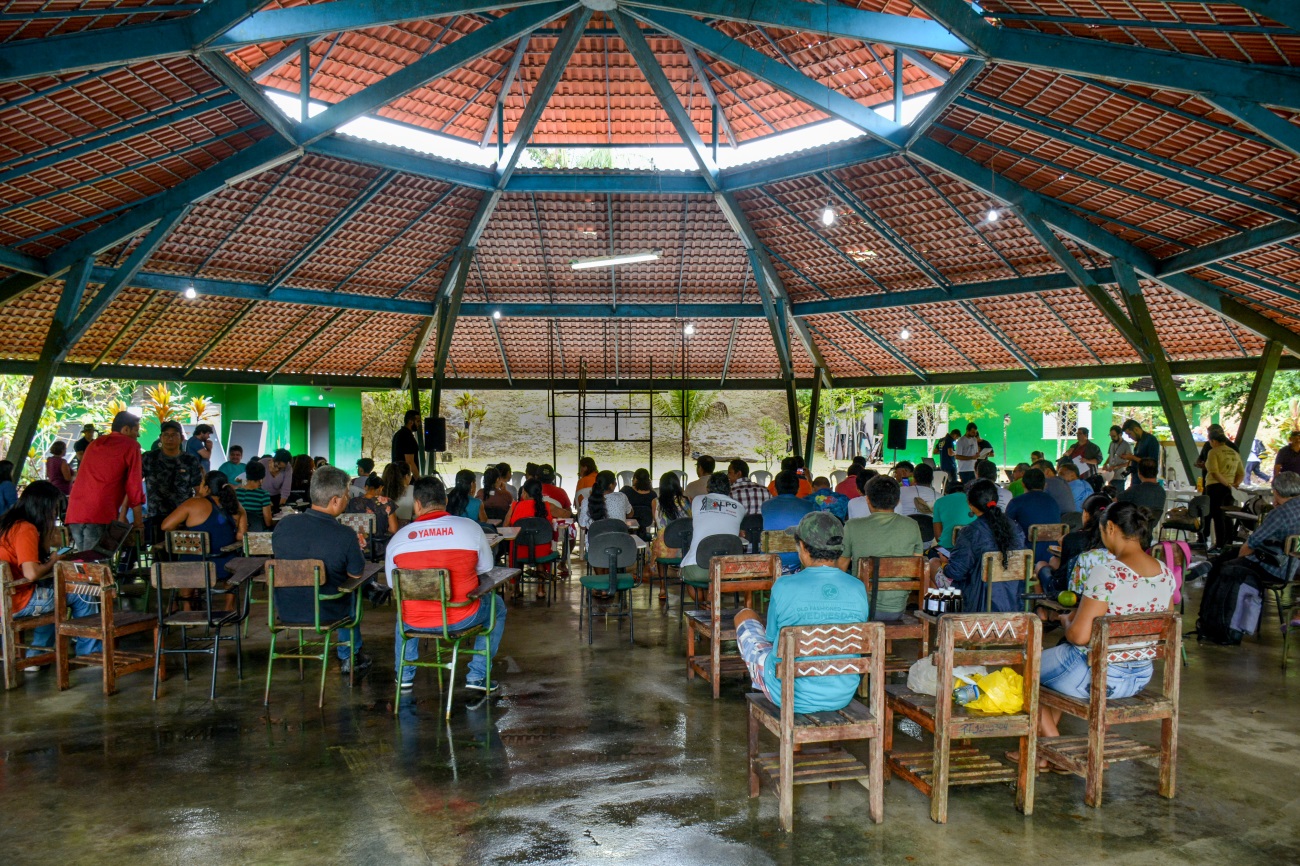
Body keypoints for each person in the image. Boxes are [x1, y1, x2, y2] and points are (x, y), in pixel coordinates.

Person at [1031, 502, 1173, 751]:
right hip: (1140, 676)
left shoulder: (1106, 572)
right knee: (1051, 673)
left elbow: (1078, 636)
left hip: (1098, 676)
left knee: (1025, 666)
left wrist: (1066, 620)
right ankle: (1045, 752)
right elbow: (1163, 627)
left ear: (1110, 527)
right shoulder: (1164, 572)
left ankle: (1055, 748)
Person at [734, 512, 869, 714]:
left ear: (804, 549)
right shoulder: (857, 587)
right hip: (841, 694)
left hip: (787, 693)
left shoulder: (784, 586)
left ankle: (762, 683)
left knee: (744, 616)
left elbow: (771, 638)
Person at [386, 475, 505, 694]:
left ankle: (404, 675)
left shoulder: (398, 539)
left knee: (403, 611)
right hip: (461, 617)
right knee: (497, 606)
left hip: (415, 621)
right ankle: (477, 676)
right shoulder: (470, 528)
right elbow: (486, 569)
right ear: (446, 501)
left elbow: (394, 586)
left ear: (418, 505)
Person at [272, 466, 371, 676]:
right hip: (326, 611)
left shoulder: (284, 526)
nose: (347, 500)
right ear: (335, 500)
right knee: (351, 592)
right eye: (346, 495)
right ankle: (350, 655)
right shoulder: (344, 534)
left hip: (286, 608)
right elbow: (356, 574)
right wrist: (355, 549)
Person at [0, 481, 101, 664]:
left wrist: (46, 535)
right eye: (54, 509)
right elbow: (31, 573)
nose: (55, 514)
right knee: (82, 593)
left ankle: (37, 656)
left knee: (51, 593)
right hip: (15, 602)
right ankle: (89, 654)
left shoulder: (6, 523)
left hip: (5, 598)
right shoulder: (25, 529)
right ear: (43, 507)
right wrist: (54, 561)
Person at [931, 479, 1026, 612]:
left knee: (932, 564)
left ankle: (940, 612)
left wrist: (945, 564)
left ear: (970, 505)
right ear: (996, 500)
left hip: (977, 601)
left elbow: (956, 573)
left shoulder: (970, 532)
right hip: (1013, 599)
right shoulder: (1016, 528)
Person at [840, 475, 923, 621]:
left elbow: (840, 569)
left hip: (861, 608)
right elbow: (917, 566)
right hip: (897, 608)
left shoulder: (852, 527)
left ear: (868, 500)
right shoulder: (912, 525)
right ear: (898, 501)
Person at [64, 411, 145, 551]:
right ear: (126, 429)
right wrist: (138, 523)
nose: (137, 435)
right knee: (95, 565)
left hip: (75, 511)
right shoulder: (131, 445)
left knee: (84, 560)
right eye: (136, 430)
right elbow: (134, 486)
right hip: (99, 512)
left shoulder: (95, 444)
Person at [162, 470, 246, 578]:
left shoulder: (193, 503)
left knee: (187, 560)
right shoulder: (237, 506)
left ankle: (187, 594)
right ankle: (229, 592)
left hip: (193, 565)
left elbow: (166, 526)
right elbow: (241, 535)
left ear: (206, 488)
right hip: (225, 564)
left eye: (201, 483)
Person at [680, 472, 746, 590]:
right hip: (728, 570)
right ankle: (710, 601)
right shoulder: (740, 507)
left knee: (685, 574)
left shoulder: (697, 500)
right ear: (729, 489)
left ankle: (703, 603)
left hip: (697, 569)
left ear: (707, 488)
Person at [142, 420, 204, 544]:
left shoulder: (190, 460)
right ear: (160, 438)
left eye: (174, 435)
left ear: (181, 438)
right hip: (156, 515)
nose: (170, 438)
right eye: (166, 435)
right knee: (159, 556)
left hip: (183, 516)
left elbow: (198, 489)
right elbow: (134, 484)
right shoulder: (149, 458)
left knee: (182, 554)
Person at [1037, 493, 1109, 596]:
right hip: (1100, 588)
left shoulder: (1073, 538)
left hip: (1070, 592)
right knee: (1053, 560)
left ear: (1086, 514)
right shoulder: (1111, 540)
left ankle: (1041, 607)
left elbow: (1063, 573)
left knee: (1041, 565)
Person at [504, 478, 555, 594]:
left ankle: (516, 589)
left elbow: (506, 525)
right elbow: (566, 513)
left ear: (525, 493)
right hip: (542, 551)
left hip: (520, 550)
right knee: (541, 550)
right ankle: (541, 590)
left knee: (515, 547)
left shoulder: (515, 506)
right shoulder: (546, 506)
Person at [762, 470, 817, 571]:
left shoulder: (765, 505)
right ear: (798, 488)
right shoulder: (809, 506)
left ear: (775, 488)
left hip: (772, 560)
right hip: (800, 560)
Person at [652, 472, 692, 600]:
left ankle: (663, 587)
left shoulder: (655, 502)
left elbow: (657, 525)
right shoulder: (687, 501)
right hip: (685, 548)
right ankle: (688, 582)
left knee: (659, 543)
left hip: (665, 549)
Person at [1204, 429, 1244, 551]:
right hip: (1230, 488)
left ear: (1214, 441)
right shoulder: (1234, 453)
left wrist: (1225, 484)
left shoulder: (1213, 452)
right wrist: (1234, 484)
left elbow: (1214, 472)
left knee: (1217, 516)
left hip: (1216, 487)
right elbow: (1241, 473)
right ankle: (1229, 542)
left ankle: (1220, 544)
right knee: (1228, 515)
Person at [1005, 468, 1062, 537]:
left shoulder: (1017, 502)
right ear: (1045, 485)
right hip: (1053, 545)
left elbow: (1005, 525)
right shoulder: (1053, 501)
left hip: (1027, 545)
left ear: (1023, 484)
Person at [345, 473, 399, 539]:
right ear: (380, 488)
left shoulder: (353, 502)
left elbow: (348, 525)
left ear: (365, 487)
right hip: (380, 543)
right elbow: (394, 529)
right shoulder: (387, 502)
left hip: (359, 543)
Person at [931, 479, 975, 550]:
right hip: (973, 549)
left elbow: (938, 537)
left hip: (947, 550)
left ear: (946, 492)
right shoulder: (974, 500)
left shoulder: (939, 502)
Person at [1121, 419, 1161, 489]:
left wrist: (1132, 458)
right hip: (1136, 478)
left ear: (1136, 429)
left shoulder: (1151, 440)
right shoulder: (1139, 442)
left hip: (1146, 482)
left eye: (1130, 434)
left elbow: (1152, 463)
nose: (1129, 437)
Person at [235, 460, 274, 533]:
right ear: (262, 476)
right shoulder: (263, 495)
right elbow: (268, 523)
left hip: (238, 531)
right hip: (258, 532)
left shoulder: (236, 492)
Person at [622, 468, 657, 540]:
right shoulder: (653, 495)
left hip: (627, 527)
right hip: (645, 528)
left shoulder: (626, 491)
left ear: (635, 479)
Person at [391, 409, 421, 479]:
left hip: (397, 476)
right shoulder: (407, 436)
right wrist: (418, 479)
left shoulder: (398, 434)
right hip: (405, 479)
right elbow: (410, 462)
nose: (419, 424)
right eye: (418, 421)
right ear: (410, 421)